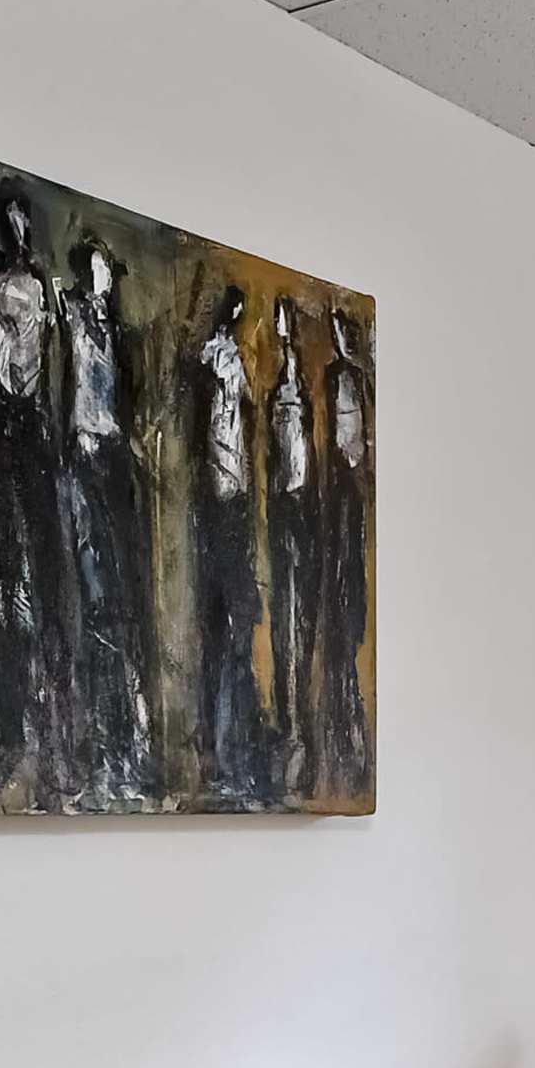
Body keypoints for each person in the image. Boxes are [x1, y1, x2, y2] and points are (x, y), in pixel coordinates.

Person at [0, 190, 66, 801]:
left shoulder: (34, 292)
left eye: (25, 222)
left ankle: (47, 728)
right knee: (4, 581)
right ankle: (15, 727)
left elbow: (27, 345)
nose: (20, 231)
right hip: (3, 426)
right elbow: (2, 348)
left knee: (46, 581)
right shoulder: (5, 285)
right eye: (14, 222)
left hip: (30, 427)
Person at [56, 239, 155, 806]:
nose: (107, 279)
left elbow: (129, 402)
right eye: (100, 268)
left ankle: (130, 738)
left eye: (110, 272)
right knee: (94, 594)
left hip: (114, 459)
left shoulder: (118, 335)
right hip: (83, 455)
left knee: (124, 600)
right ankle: (104, 739)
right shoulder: (69, 314)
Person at [186, 282, 267, 799]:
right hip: (214, 502)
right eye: (232, 312)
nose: (236, 319)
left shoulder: (236, 362)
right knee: (219, 627)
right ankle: (218, 746)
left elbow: (243, 422)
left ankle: (235, 740)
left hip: (234, 499)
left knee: (241, 621)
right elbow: (207, 416)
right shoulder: (210, 360)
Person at [316, 306, 374, 797]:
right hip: (332, 497)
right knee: (339, 613)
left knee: (352, 615)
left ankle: (350, 727)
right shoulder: (333, 377)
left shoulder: (360, 380)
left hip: (351, 497)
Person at [264, 294, 318, 798]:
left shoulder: (303, 394)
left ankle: (301, 729)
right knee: (284, 619)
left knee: (300, 622)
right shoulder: (272, 400)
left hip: (300, 511)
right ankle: (290, 728)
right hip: (281, 510)